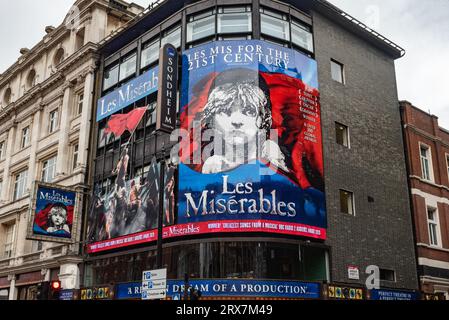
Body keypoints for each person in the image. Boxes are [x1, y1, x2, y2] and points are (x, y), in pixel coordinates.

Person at [199, 68, 288, 174]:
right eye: (225, 110)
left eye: (249, 111)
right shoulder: (207, 167)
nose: (237, 121)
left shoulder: (276, 164)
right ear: (212, 119)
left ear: (264, 118)